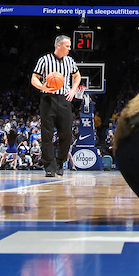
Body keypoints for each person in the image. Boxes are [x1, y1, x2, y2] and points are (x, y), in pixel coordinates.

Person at [31, 35, 80, 178]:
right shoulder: (44, 60)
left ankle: (60, 162)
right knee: (47, 134)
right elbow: (34, 77)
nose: (70, 49)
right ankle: (49, 166)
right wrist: (43, 88)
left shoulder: (70, 61)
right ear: (59, 46)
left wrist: (73, 90)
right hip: (48, 99)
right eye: (67, 46)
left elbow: (77, 76)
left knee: (67, 133)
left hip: (64, 99)